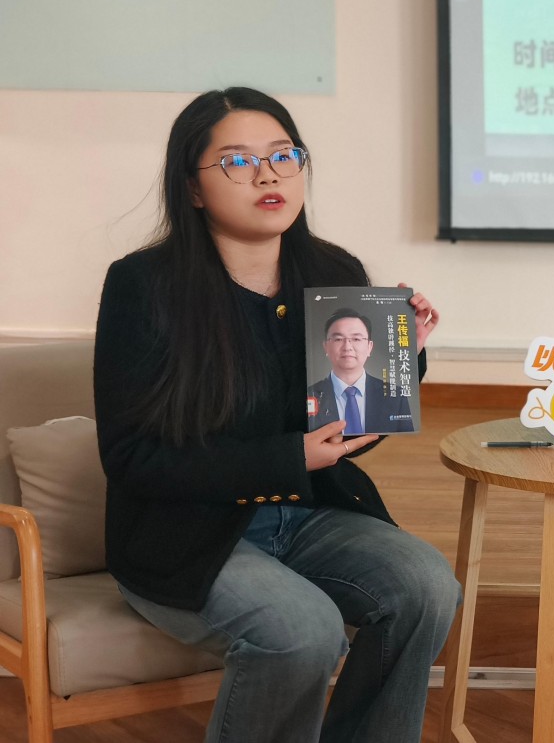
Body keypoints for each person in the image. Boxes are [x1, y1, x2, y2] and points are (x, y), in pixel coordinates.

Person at [93, 87, 460, 743]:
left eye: (284, 155)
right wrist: (291, 456)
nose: (268, 175)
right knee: (303, 629)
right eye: (237, 161)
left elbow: (345, 431)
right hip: (185, 534)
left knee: (427, 586)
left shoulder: (333, 270)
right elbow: (131, 458)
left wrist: (398, 363)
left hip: (307, 513)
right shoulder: (143, 285)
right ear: (193, 188)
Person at [308, 308, 414, 434]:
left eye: (356, 339)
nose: (347, 347)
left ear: (369, 347)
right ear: (326, 346)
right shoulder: (309, 395)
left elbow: (403, 442)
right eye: (338, 339)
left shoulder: (396, 396)